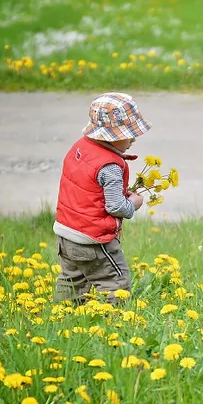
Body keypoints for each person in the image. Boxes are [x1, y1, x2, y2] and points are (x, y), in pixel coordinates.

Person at [52, 92, 151, 303]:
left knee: (71, 281)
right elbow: (115, 206)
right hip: (92, 240)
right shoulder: (110, 167)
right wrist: (133, 203)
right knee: (117, 282)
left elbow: (89, 188)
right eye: (129, 134)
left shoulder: (79, 147)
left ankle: (60, 316)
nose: (133, 139)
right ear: (112, 137)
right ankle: (115, 323)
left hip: (66, 232)